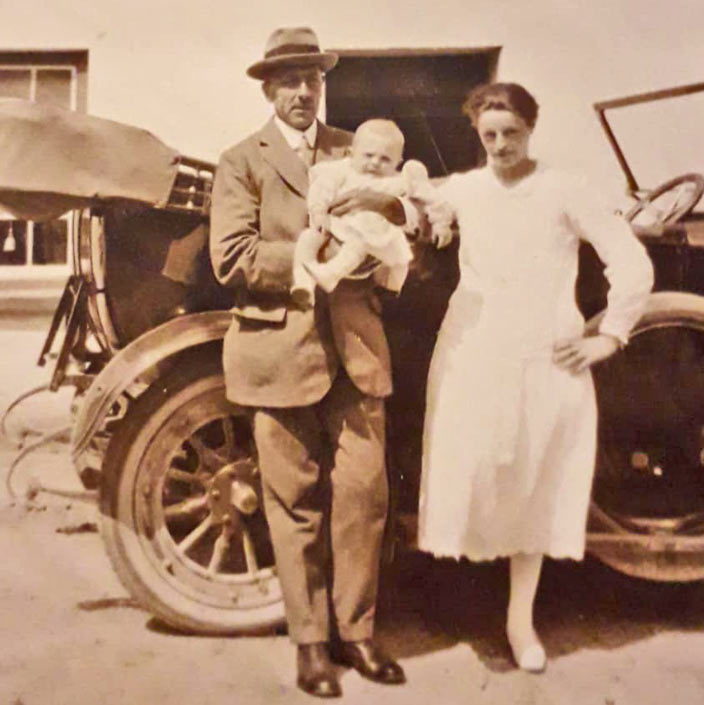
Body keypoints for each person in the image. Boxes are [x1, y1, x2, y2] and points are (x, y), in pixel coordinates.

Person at [418, 83, 654, 672]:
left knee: (533, 481)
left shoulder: (564, 189)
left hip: (544, 355)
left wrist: (610, 335)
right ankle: (461, 604)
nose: (501, 145)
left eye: (512, 134)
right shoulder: (465, 189)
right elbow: (414, 201)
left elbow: (630, 258)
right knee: (471, 477)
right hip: (474, 351)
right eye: (489, 135)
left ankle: (519, 620)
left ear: (531, 129)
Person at [209, 27, 414, 699]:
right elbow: (232, 257)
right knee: (293, 502)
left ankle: (357, 634)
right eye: (290, 80)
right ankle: (311, 645)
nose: (304, 91)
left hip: (357, 354)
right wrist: (318, 247)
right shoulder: (242, 160)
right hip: (279, 352)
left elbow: (404, 214)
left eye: (313, 79)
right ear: (269, 90)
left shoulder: (359, 149)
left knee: (363, 496)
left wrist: (390, 218)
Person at [292, 118, 453, 308]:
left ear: (398, 161)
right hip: (337, 228)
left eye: (385, 159)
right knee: (308, 238)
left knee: (387, 254)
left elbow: (432, 198)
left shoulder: (399, 180)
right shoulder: (341, 170)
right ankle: (303, 283)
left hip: (376, 236)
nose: (375, 163)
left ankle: (345, 278)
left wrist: (441, 224)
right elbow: (321, 189)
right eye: (368, 155)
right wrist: (318, 212)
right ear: (352, 153)